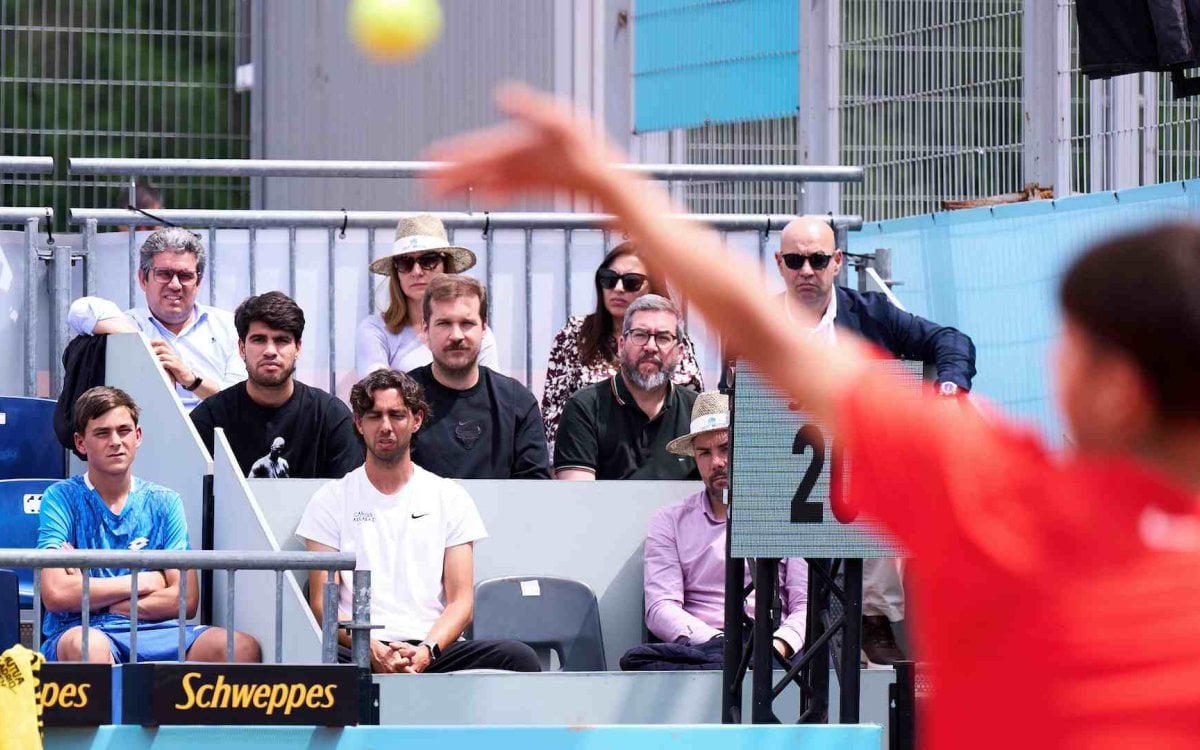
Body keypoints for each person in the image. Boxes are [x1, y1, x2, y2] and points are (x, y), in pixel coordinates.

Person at [427, 83, 1200, 749]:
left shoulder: (1010, 504)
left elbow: (770, 341)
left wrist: (608, 183)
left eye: (1073, 346)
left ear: (1116, 389)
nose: (1055, 361)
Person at [772, 215, 978, 665]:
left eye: (818, 259)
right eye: (795, 260)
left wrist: (947, 393)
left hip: (858, 465)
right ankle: (785, 620)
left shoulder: (869, 314)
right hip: (783, 467)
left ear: (837, 262)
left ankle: (873, 617)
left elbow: (951, 341)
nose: (806, 270)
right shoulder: (759, 324)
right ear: (779, 264)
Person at [296, 369, 541, 674]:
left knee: (518, 657)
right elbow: (322, 605)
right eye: (374, 416)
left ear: (417, 419)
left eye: (396, 415)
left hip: (433, 648)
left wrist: (426, 650)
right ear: (359, 423)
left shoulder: (450, 497)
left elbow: (461, 603)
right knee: (305, 663)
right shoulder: (330, 500)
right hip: (357, 648)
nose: (385, 426)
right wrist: (370, 647)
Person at [37, 386, 261, 664]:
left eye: (124, 430)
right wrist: (146, 580)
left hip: (158, 630)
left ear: (138, 436)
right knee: (87, 645)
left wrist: (99, 598)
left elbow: (185, 599)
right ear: (81, 443)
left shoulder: (165, 501)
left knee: (240, 648)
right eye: (102, 433)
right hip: (82, 629)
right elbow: (57, 594)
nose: (116, 441)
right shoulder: (61, 497)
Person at [623, 392, 806, 671]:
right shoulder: (670, 521)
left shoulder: (785, 514)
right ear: (695, 459)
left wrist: (778, 644)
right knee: (637, 660)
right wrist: (719, 643)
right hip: (704, 648)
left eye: (726, 448)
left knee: (809, 662)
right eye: (705, 453)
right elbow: (660, 607)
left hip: (771, 646)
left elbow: (806, 604)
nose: (717, 462)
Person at [541, 242, 703, 455]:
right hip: (590, 455)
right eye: (609, 279)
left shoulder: (671, 338)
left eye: (631, 282)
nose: (617, 288)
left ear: (652, 286)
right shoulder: (576, 333)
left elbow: (692, 403)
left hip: (664, 457)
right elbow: (553, 410)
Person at [67, 228, 246, 411]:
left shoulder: (229, 327)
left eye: (185, 276)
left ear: (198, 282)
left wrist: (190, 379)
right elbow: (80, 311)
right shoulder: (132, 324)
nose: (175, 285)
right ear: (143, 279)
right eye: (164, 274)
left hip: (213, 432)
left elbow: (240, 400)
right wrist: (143, 345)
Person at [190, 291, 364, 479]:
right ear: (241, 348)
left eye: (281, 340)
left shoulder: (331, 418)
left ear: (298, 348)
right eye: (259, 340)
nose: (270, 351)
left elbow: (349, 499)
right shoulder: (210, 418)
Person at [407, 275, 550, 479]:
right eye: (444, 323)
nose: (456, 335)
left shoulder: (517, 402)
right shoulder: (402, 400)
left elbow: (534, 489)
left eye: (467, 323)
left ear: (484, 328)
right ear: (425, 329)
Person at [553, 294, 700, 481]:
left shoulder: (697, 410)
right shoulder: (584, 407)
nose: (651, 347)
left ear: (679, 353)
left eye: (663, 338)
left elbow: (715, 496)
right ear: (621, 345)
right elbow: (577, 497)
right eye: (640, 335)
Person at [356, 214, 500, 377]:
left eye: (428, 260)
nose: (417, 272)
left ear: (446, 265)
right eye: (405, 262)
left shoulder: (477, 331)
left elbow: (492, 389)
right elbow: (375, 392)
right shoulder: (375, 330)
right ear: (396, 272)